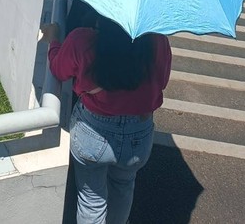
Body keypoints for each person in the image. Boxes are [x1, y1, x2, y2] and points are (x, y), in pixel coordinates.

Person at [43, 15, 172, 224]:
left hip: (92, 131)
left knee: (91, 200)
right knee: (123, 187)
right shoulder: (158, 41)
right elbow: (162, 82)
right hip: (138, 133)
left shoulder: (82, 40)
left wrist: (54, 40)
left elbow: (58, 70)